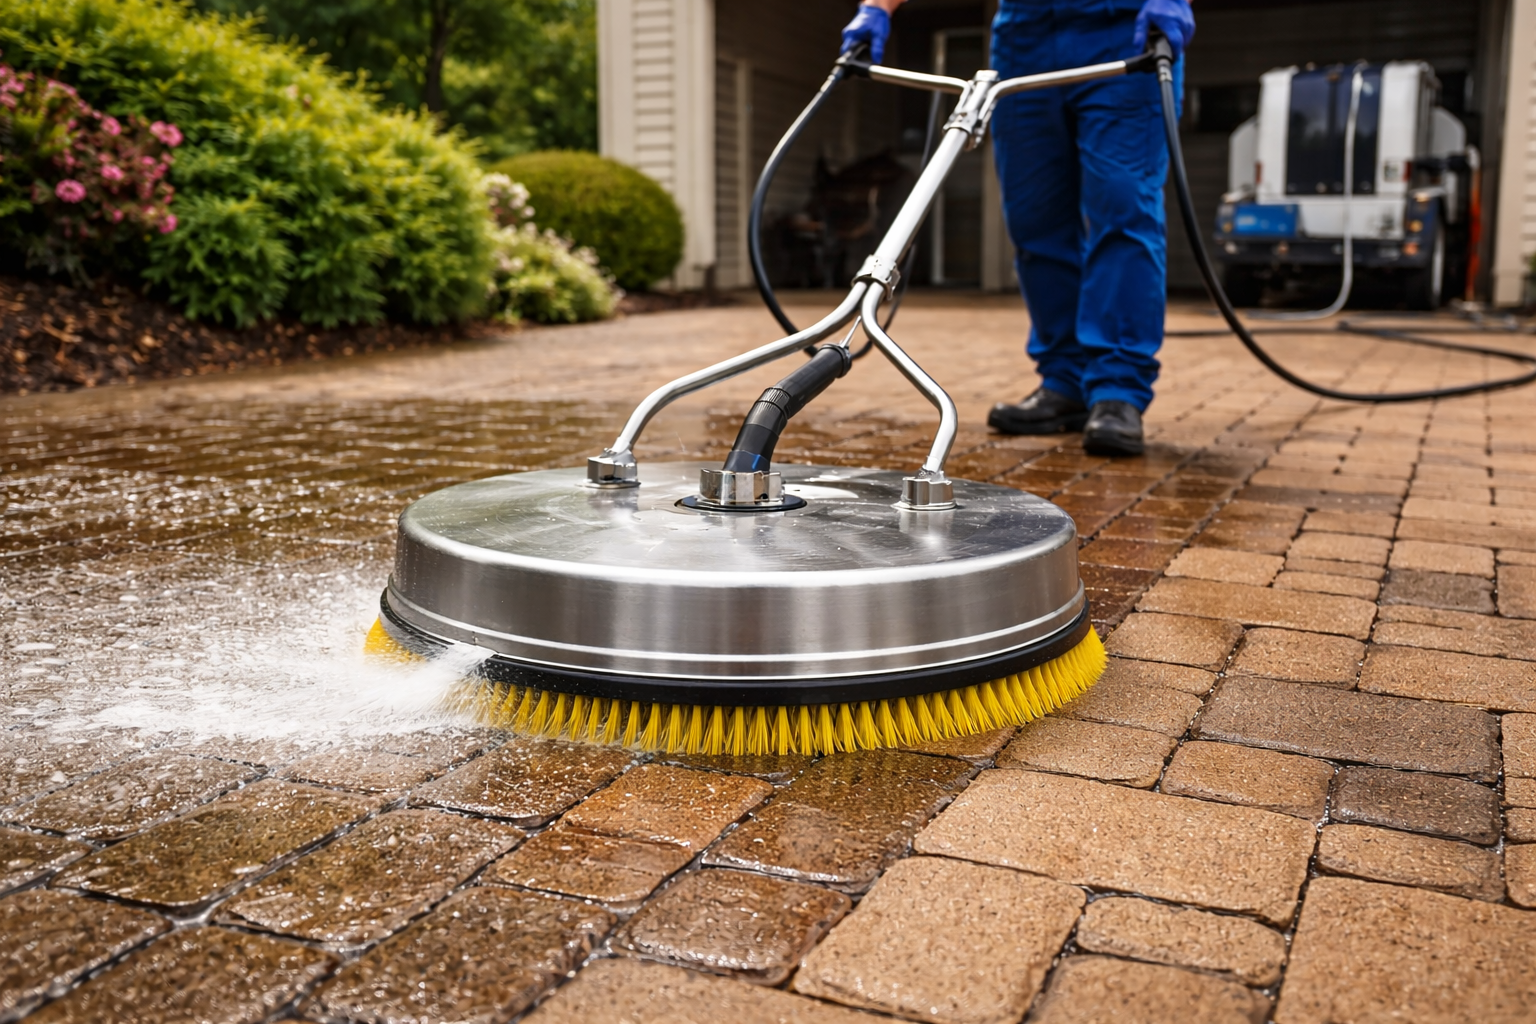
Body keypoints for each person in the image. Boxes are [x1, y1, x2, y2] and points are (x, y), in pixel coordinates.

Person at [841, 0, 1194, 457]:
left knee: (1122, 209)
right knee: (1035, 220)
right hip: (1026, 37)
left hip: (1124, 30)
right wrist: (877, 8)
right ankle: (1064, 381)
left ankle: (1117, 390)